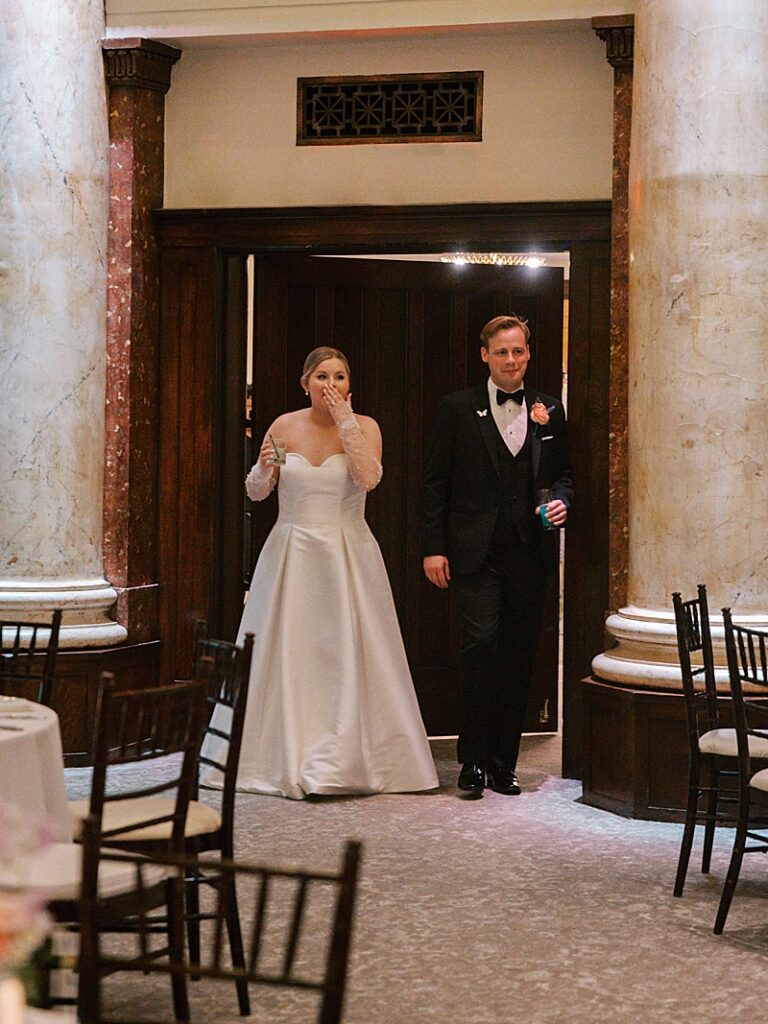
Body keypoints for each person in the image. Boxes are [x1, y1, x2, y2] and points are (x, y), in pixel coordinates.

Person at [205, 347, 438, 799]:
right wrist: (264, 467)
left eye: (340, 376)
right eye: (322, 376)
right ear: (305, 383)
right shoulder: (283, 425)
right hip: (291, 551)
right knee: (291, 649)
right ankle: (282, 753)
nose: (331, 384)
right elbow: (256, 492)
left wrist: (346, 420)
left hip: (346, 551)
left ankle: (345, 755)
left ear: (350, 385)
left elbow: (369, 478)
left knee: (348, 649)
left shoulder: (366, 426)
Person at [421, 315, 573, 798]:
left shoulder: (550, 408)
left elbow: (566, 473)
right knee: (482, 645)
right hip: (474, 552)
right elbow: (434, 486)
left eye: (519, 352)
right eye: (502, 352)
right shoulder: (456, 409)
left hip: (530, 552)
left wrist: (563, 500)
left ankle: (504, 763)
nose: (512, 361)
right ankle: (471, 760)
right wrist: (433, 547)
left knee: (518, 655)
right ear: (485, 355)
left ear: (529, 354)